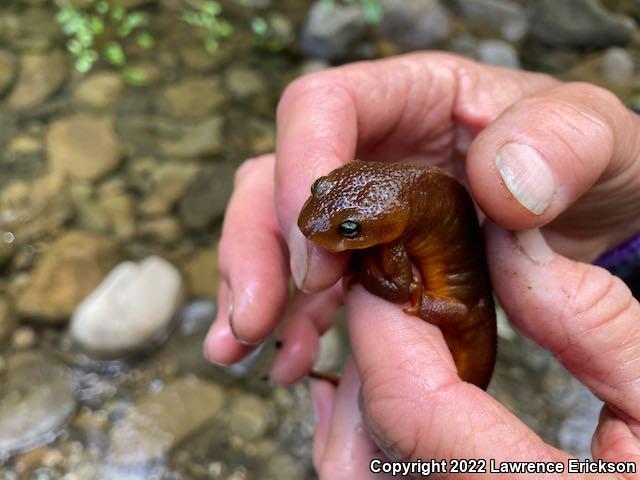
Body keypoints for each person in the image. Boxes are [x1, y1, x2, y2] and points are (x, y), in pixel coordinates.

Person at [205, 52, 640, 479]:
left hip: (461, 318)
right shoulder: (400, 210)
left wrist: (396, 287)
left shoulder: (400, 227)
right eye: (319, 189)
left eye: (349, 228)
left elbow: (405, 289)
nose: (314, 226)